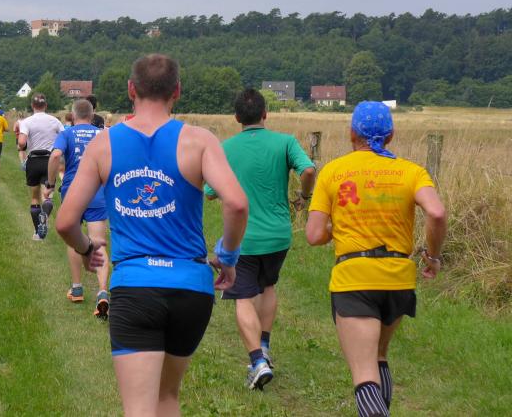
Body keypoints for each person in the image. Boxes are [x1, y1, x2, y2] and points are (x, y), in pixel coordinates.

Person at [56, 54, 249, 416]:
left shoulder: (104, 144)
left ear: (132, 90)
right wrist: (228, 257)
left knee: (139, 407)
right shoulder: (199, 140)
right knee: (167, 397)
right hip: (191, 286)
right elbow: (236, 204)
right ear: (177, 91)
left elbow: (66, 222)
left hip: (135, 285)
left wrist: (86, 249)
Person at [305, 101, 446, 417]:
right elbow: (436, 213)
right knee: (379, 356)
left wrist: (337, 228)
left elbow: (313, 235)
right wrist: (433, 256)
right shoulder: (411, 171)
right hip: (398, 279)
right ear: (391, 135)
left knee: (364, 371)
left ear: (352, 133)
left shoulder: (334, 171)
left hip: (354, 280)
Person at [205, 88, 316, 390]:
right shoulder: (285, 142)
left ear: (237, 117)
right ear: (266, 113)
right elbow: (308, 170)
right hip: (279, 234)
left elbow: (210, 192)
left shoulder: (226, 148)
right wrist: (305, 196)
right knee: (267, 286)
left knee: (242, 296)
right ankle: (264, 346)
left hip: (243, 237)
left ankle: (257, 362)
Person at [45, 99, 111, 318]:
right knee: (98, 241)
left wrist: (50, 184)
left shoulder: (66, 133)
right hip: (98, 192)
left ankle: (77, 288)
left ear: (72, 116)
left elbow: (55, 155)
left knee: (74, 239)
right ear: (92, 116)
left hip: (73, 191)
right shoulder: (102, 134)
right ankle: (103, 291)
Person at [18, 93, 64, 240]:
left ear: (32, 105)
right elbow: (65, 137)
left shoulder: (26, 121)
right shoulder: (55, 121)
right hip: (49, 160)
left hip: (33, 159)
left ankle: (37, 233)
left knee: (34, 197)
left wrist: (23, 145)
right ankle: (45, 217)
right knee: (48, 195)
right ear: (46, 105)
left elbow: (21, 142)